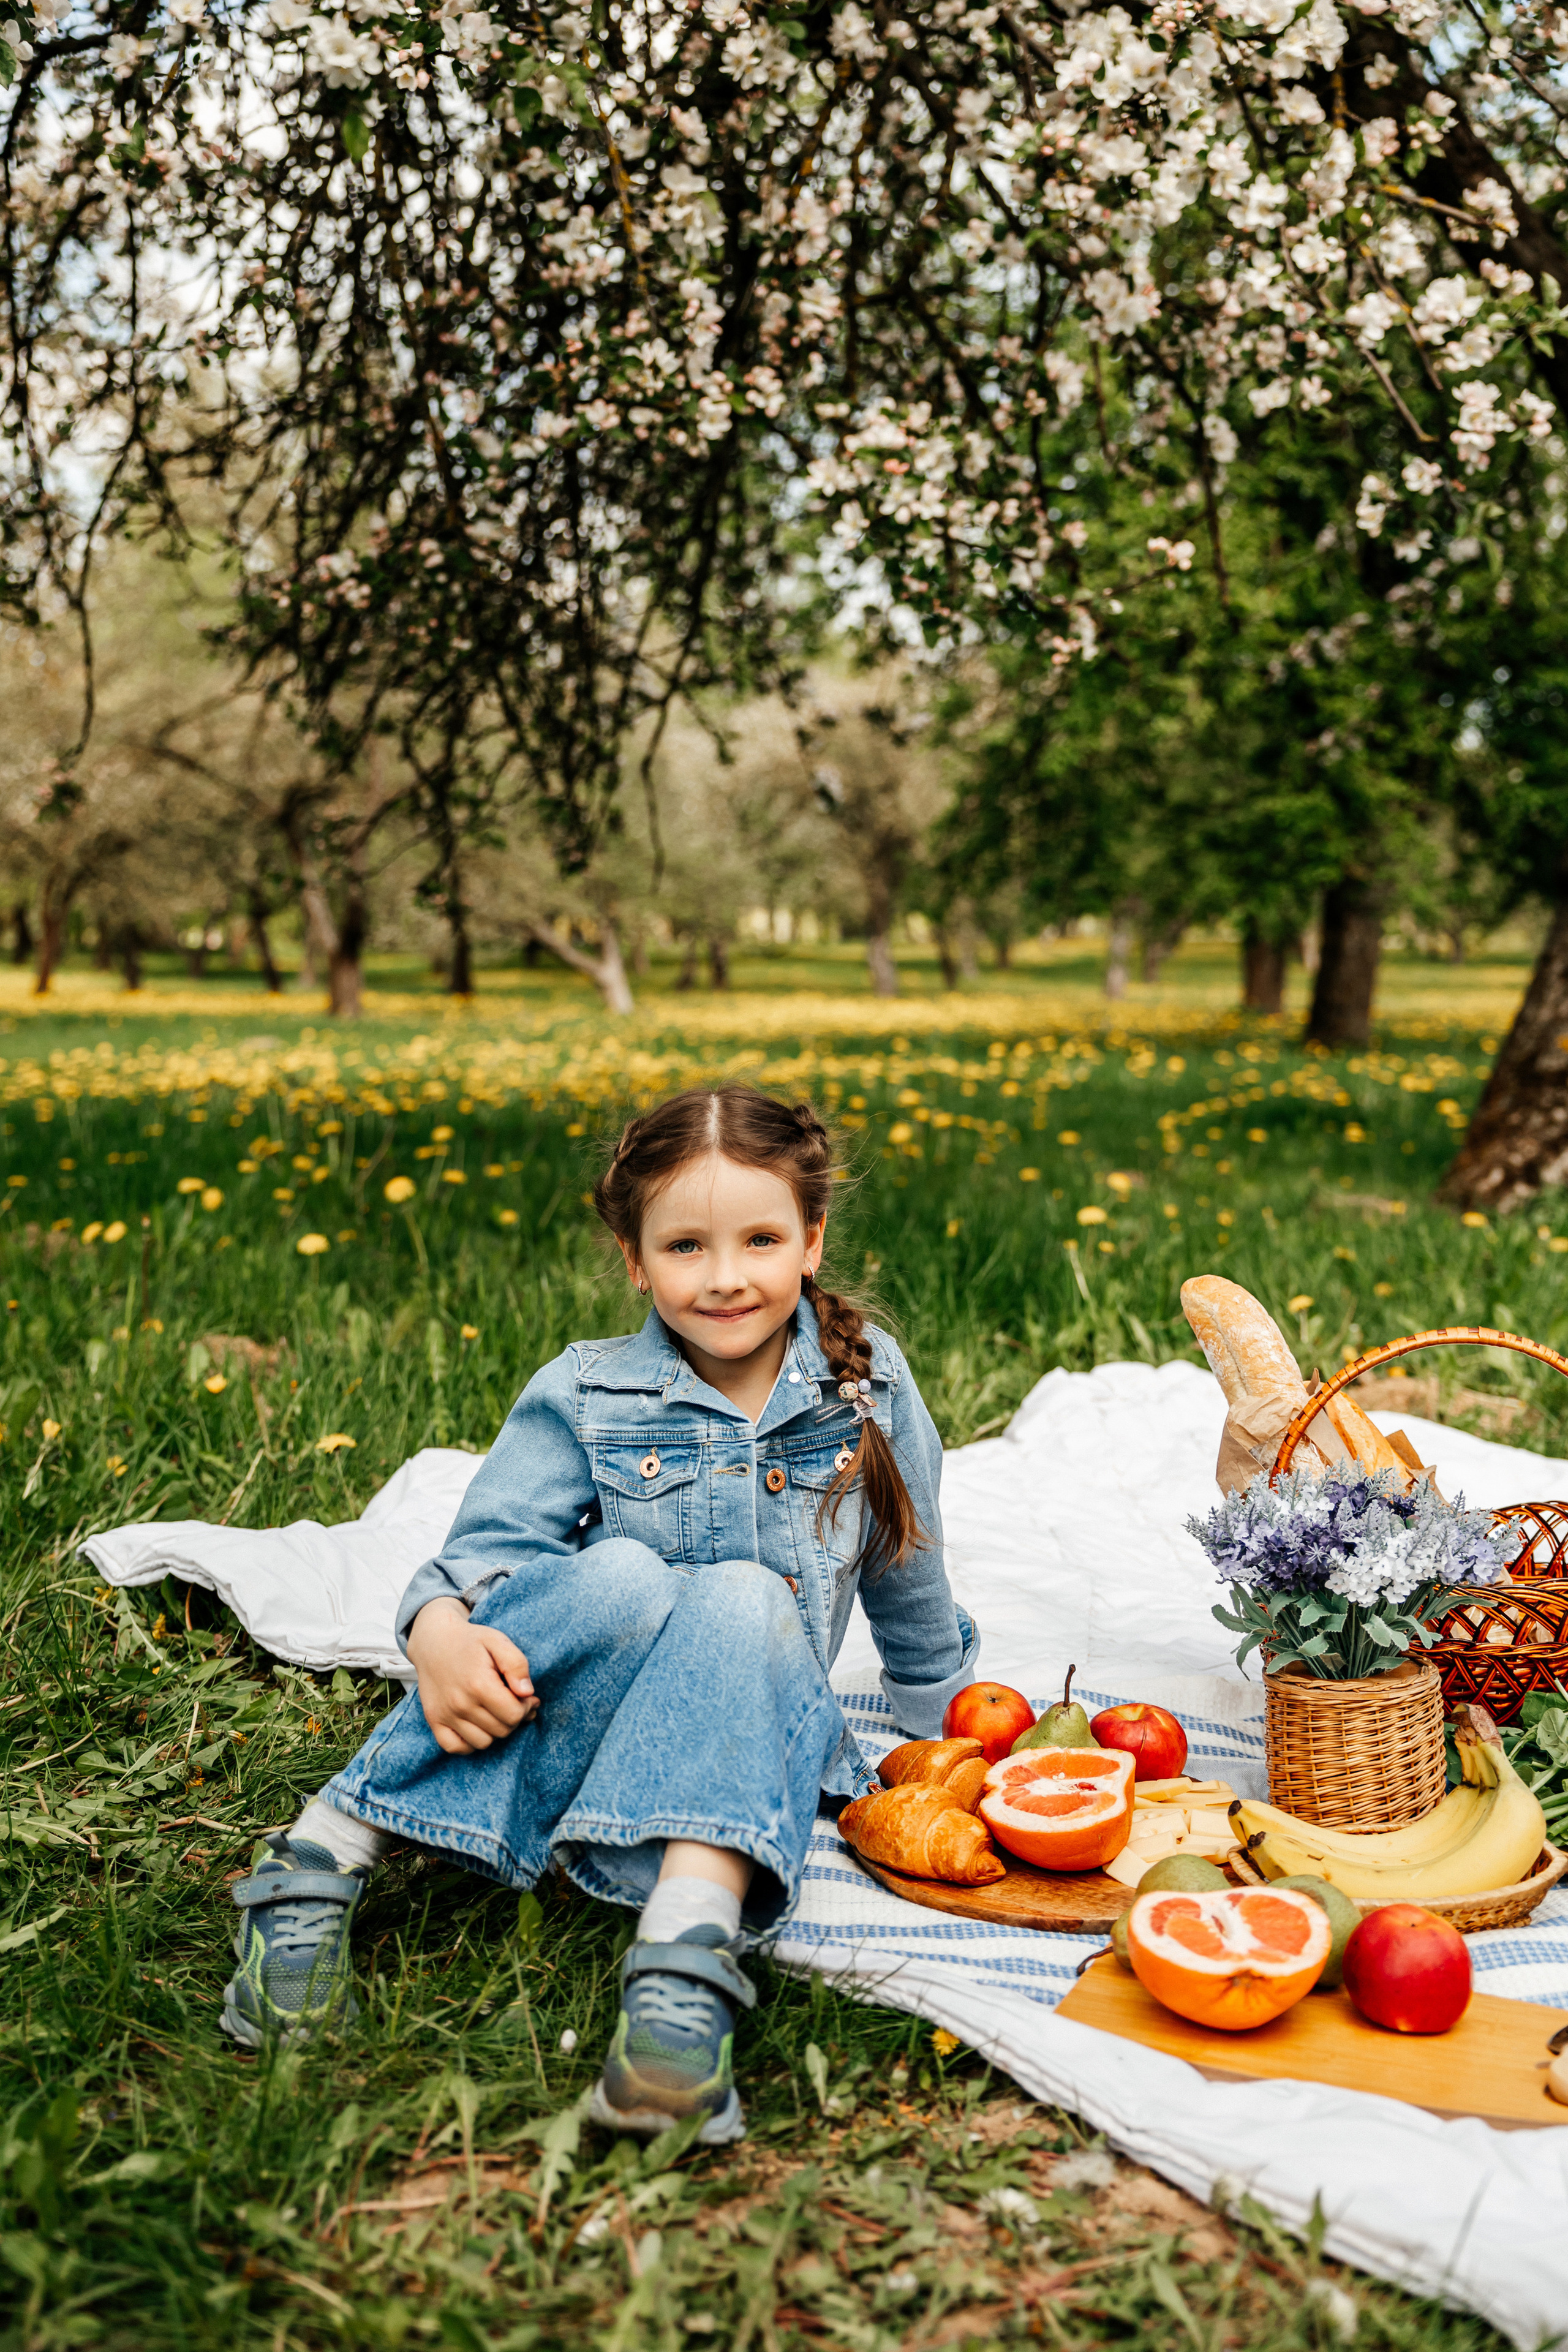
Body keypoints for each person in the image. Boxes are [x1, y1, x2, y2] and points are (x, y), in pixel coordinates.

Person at [221, 1084, 978, 2143]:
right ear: (635, 1259)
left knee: (744, 1594)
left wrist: (957, 1732)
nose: (725, 1277)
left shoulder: (867, 1387)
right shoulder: (588, 1392)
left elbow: (907, 1561)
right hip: (586, 1722)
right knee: (619, 1575)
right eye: (685, 1247)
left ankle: (680, 1980)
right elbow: (484, 1559)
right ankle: (317, 1863)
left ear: (812, 1241)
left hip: (743, 1732)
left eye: (760, 1240)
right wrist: (438, 1633)